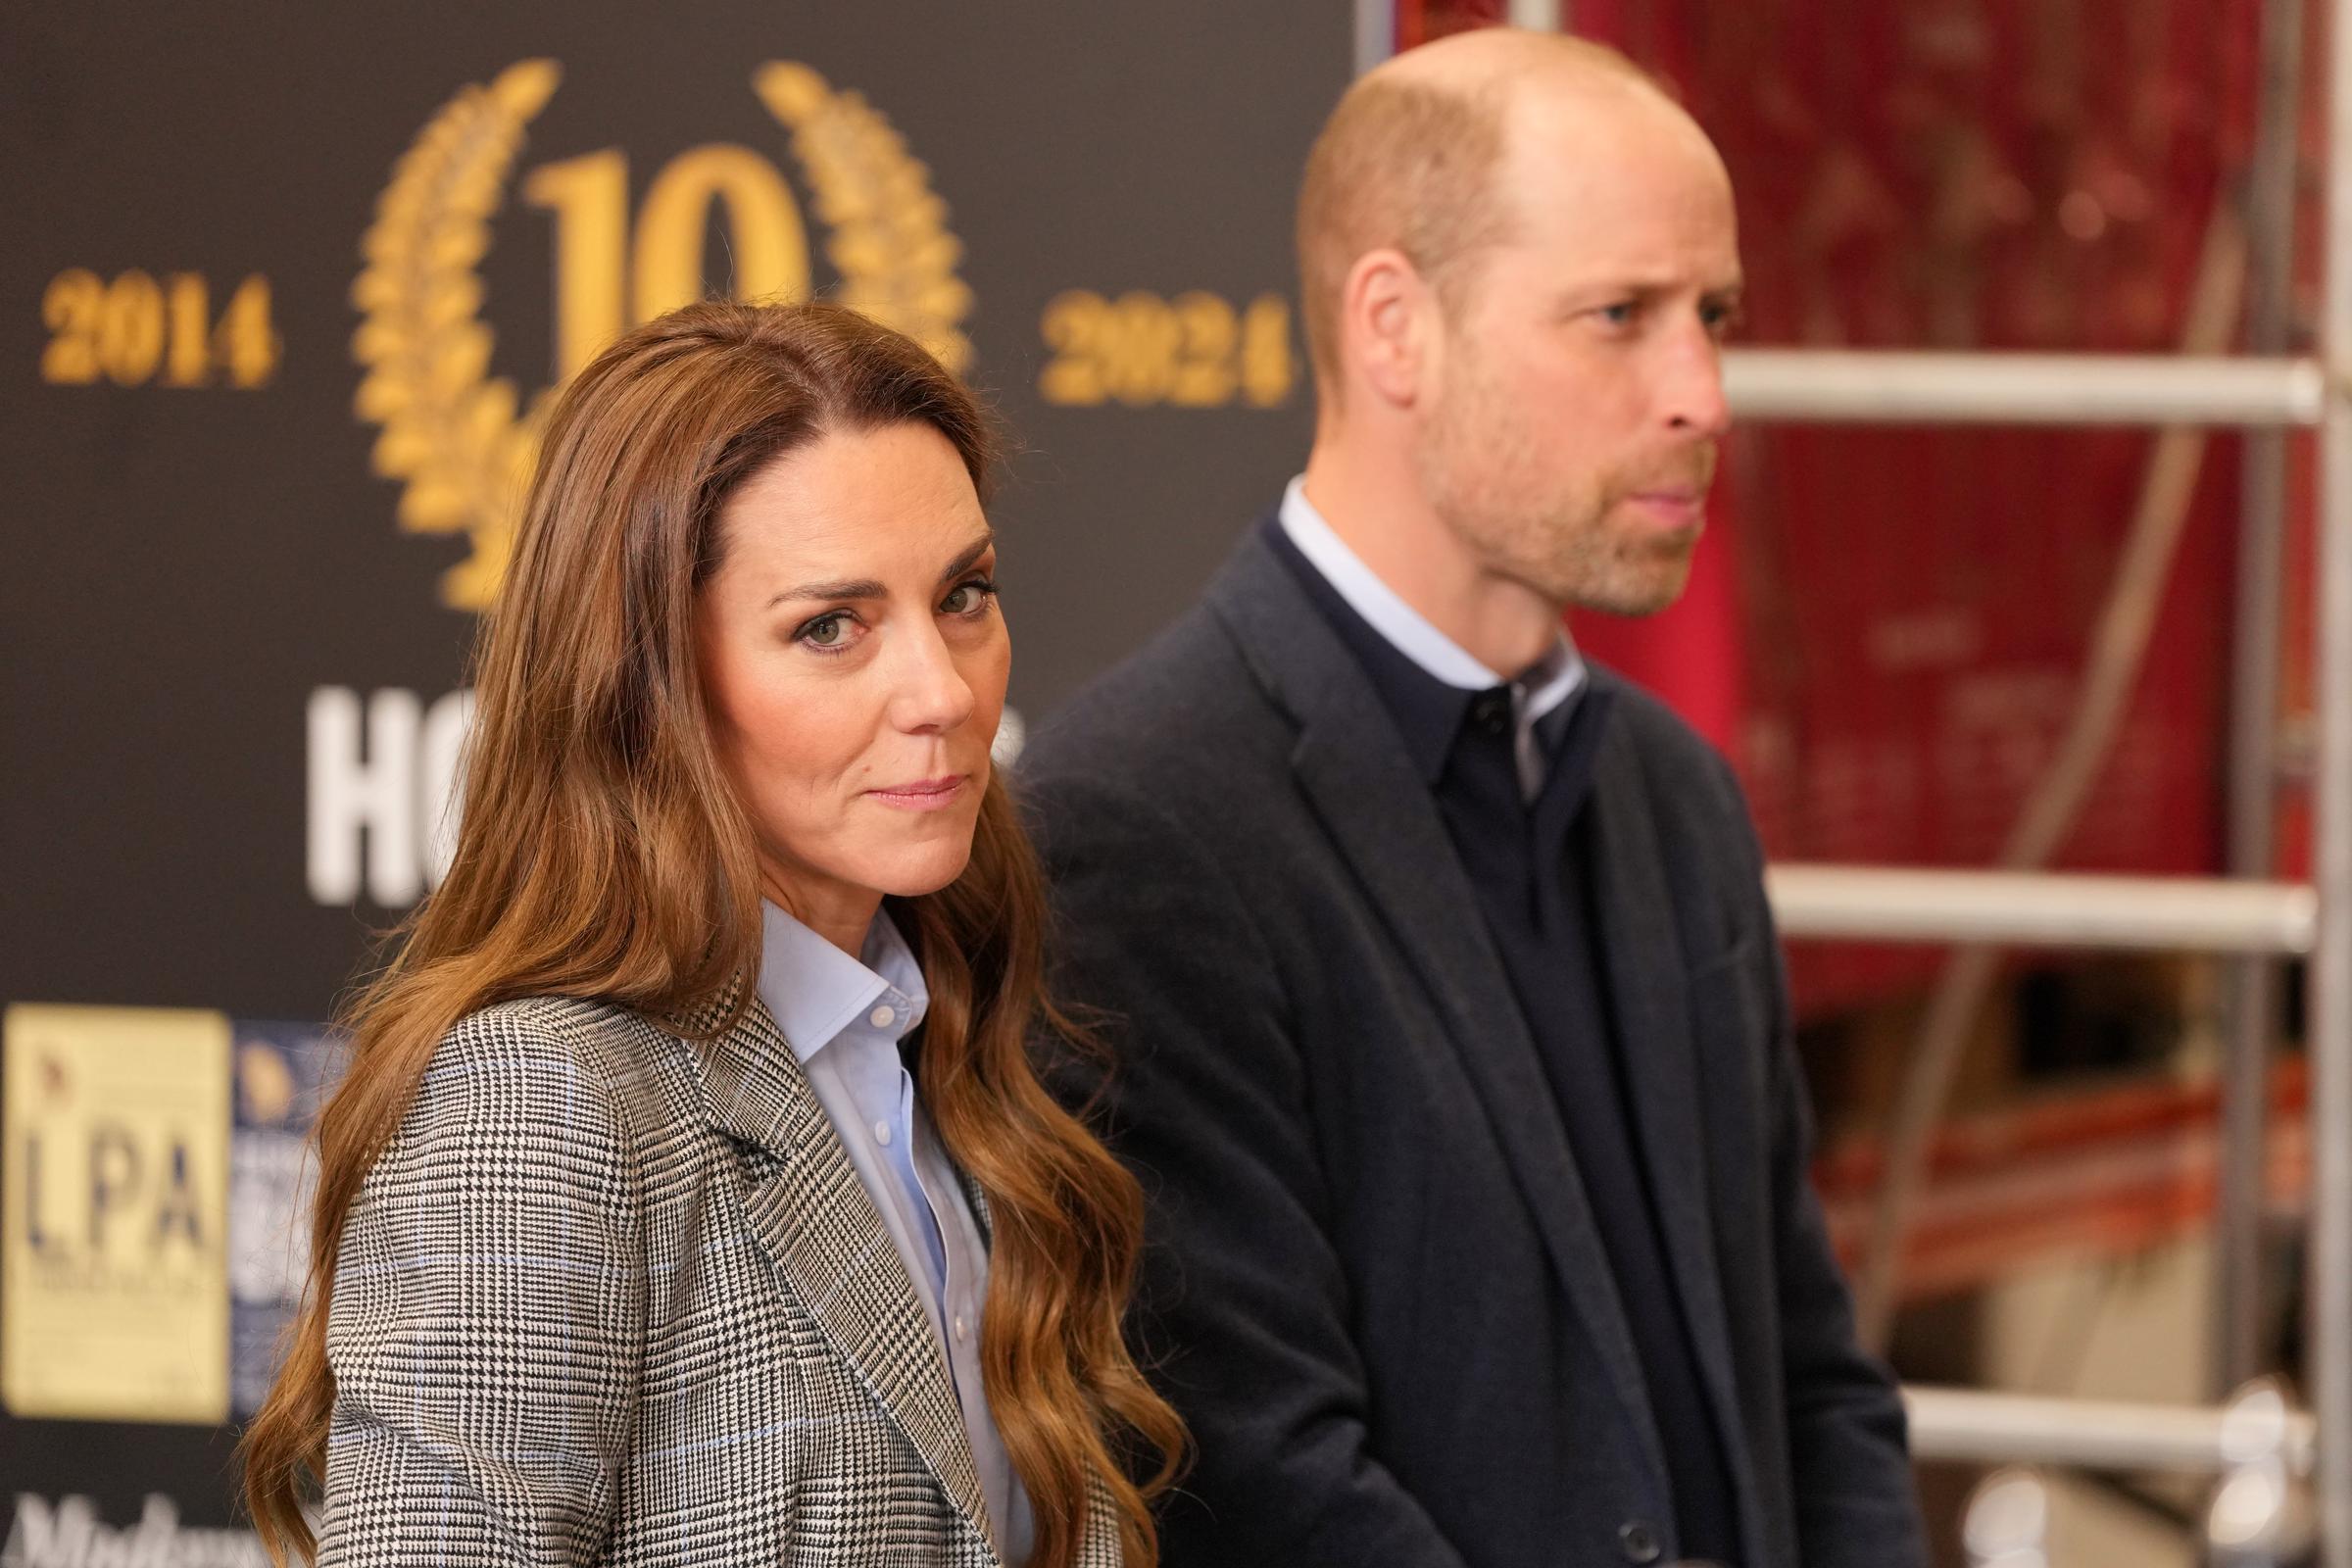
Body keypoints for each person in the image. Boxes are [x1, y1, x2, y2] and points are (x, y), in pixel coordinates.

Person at [1020, 30, 1925, 1568]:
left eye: (1711, 317)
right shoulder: (1138, 820)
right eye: (1619, 318)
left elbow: (1811, 1380)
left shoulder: (1672, 795)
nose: (1702, 393)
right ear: (1395, 327)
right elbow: (1253, 1480)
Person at [240, 300, 1183, 1568]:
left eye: (964, 595)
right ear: (650, 686)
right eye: (830, 628)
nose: (945, 692)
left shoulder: (943, 1040)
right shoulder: (544, 1104)